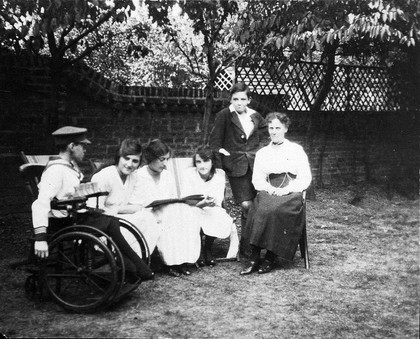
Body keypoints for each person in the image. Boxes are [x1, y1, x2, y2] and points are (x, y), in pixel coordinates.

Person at [32, 126, 154, 283]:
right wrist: (40, 238)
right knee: (110, 221)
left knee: (111, 220)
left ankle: (132, 267)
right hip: (62, 222)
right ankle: (136, 267)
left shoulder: (70, 167)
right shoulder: (55, 170)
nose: (85, 150)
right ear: (71, 146)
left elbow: (70, 193)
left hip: (75, 216)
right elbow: (40, 204)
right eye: (82, 146)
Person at [239, 112, 312, 275]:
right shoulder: (262, 153)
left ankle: (270, 257)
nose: (273, 131)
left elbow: (305, 177)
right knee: (259, 207)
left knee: (276, 210)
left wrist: (287, 189)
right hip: (269, 190)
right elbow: (257, 179)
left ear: (285, 129)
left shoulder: (296, 150)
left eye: (278, 128)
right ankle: (254, 257)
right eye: (271, 128)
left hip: (291, 192)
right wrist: (270, 189)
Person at [209, 82, 267, 258]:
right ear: (231, 99)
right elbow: (215, 143)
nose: (239, 102)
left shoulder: (256, 116)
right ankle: (247, 246)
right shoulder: (225, 115)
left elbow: (266, 137)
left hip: (256, 165)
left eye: (243, 99)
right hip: (235, 166)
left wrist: (261, 152)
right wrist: (222, 163)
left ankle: (252, 244)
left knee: (257, 204)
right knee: (246, 204)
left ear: (249, 100)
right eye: (235, 99)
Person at [130, 139, 201, 277]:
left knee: (186, 214)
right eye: (162, 159)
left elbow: (172, 195)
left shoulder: (167, 176)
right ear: (151, 158)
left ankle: (184, 260)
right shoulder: (139, 175)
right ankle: (171, 263)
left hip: (166, 209)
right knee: (170, 218)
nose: (165, 164)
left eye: (167, 159)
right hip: (147, 212)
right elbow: (135, 201)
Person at [89, 137, 163, 258]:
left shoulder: (135, 177)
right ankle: (125, 258)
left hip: (121, 217)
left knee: (148, 218)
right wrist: (119, 210)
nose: (129, 164)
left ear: (139, 163)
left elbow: (137, 206)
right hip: (103, 223)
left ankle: (139, 258)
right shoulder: (104, 176)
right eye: (126, 159)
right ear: (119, 157)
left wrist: (116, 209)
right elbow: (95, 209)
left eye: (134, 161)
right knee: (139, 221)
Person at [181, 146, 239, 266]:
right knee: (194, 214)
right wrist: (200, 204)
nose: (202, 166)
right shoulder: (189, 174)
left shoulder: (219, 176)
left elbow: (217, 200)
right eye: (198, 162)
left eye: (206, 161)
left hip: (211, 207)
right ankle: (199, 250)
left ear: (212, 162)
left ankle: (207, 248)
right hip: (192, 207)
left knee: (217, 216)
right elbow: (186, 199)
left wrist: (207, 203)